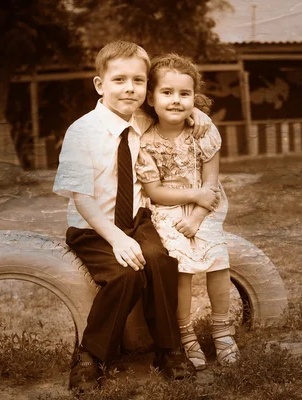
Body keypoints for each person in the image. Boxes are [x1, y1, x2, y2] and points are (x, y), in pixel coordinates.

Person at [53, 41, 218, 392]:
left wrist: (198, 114)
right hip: (94, 226)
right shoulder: (81, 132)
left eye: (138, 81)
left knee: (161, 260)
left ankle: (168, 349)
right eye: (119, 80)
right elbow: (82, 199)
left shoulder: (140, 118)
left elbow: (179, 111)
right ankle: (90, 357)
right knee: (125, 276)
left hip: (136, 218)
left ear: (146, 89)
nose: (129, 88)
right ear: (100, 85)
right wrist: (115, 238)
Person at [136, 54, 239, 371]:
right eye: (167, 93)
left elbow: (211, 182)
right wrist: (191, 201)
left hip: (204, 208)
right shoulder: (146, 142)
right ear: (151, 98)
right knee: (180, 270)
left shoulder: (203, 132)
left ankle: (223, 331)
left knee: (218, 261)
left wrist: (195, 216)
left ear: (195, 98)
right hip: (167, 209)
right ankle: (186, 335)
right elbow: (154, 191)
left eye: (185, 93)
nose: (176, 100)